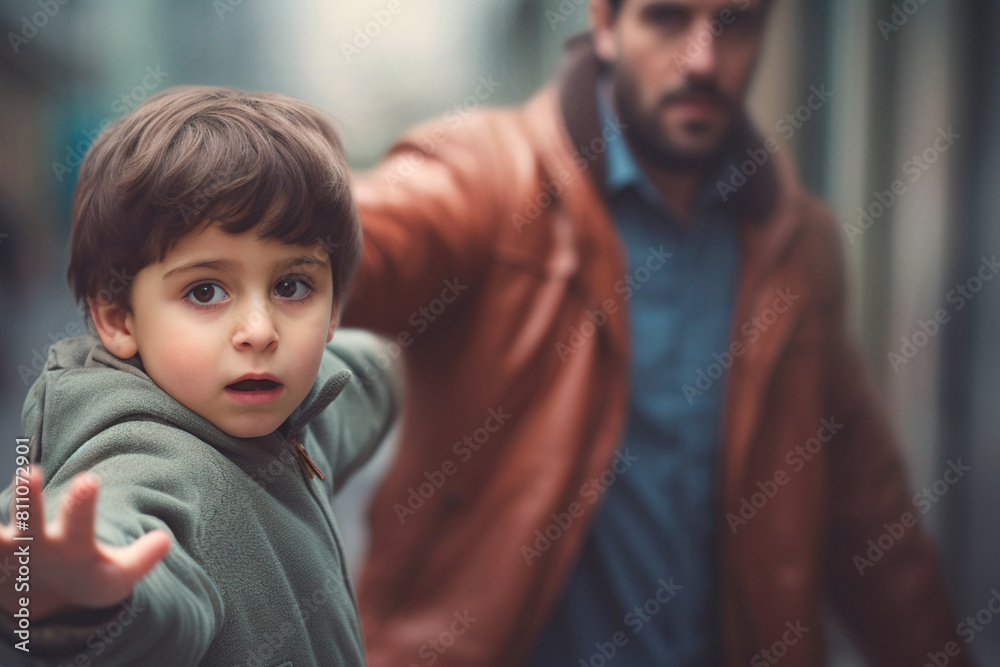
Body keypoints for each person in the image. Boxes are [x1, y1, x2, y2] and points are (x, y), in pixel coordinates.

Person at [342, 0, 972, 665]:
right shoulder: (488, 176)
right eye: (667, 17)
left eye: (734, 23)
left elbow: (870, 514)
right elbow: (362, 237)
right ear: (607, 26)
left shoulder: (797, 243)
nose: (702, 60)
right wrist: (258, 224)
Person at [0, 86, 397, 666]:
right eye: (205, 291)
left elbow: (370, 372)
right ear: (117, 317)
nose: (259, 330)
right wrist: (78, 598)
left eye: (292, 286)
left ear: (333, 306)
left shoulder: (296, 406)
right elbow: (137, 556)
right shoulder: (147, 465)